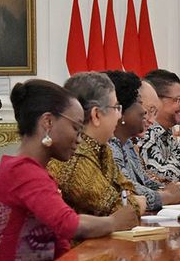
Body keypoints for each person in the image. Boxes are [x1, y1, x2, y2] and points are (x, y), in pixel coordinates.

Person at [0, 80, 138, 261]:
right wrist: (115, 222)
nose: (79, 138)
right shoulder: (23, 171)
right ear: (47, 122)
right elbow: (69, 224)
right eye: (76, 128)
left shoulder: (35, 171)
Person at [106, 71, 180, 211]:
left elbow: (150, 183)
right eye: (178, 99)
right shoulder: (112, 144)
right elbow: (129, 192)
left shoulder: (126, 143)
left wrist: (179, 189)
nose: (147, 117)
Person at [48, 72, 146, 216]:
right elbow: (116, 209)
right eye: (116, 108)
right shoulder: (75, 156)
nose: (119, 115)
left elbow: (127, 188)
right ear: (96, 115)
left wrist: (129, 199)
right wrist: (133, 203)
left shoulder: (102, 148)